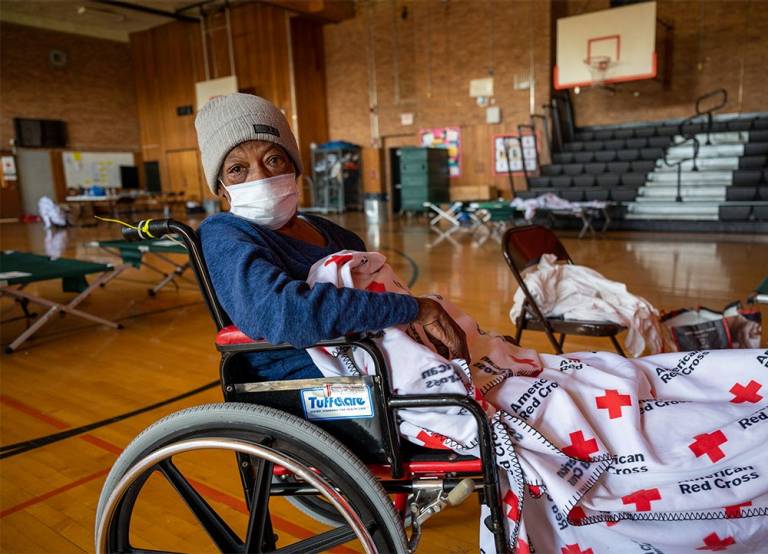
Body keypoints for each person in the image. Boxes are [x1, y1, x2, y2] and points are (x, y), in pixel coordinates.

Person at [196, 93, 468, 380]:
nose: (260, 178)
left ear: (294, 168)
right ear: (222, 188)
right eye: (237, 169)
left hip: (376, 353)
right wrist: (414, 310)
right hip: (313, 379)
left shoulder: (335, 235)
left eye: (273, 159)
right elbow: (283, 313)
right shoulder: (225, 235)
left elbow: (376, 299)